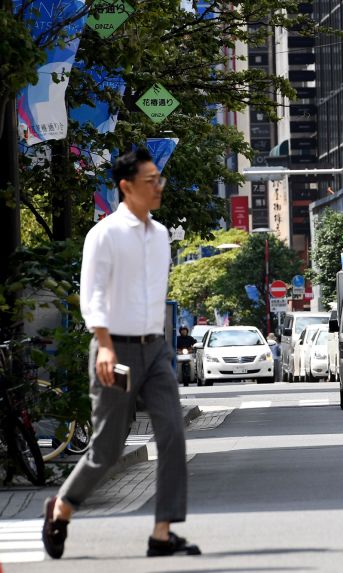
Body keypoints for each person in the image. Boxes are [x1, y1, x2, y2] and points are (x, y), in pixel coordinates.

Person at [42, 148, 201, 559]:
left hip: (155, 350)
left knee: (173, 434)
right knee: (107, 449)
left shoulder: (161, 234)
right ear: (126, 187)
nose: (158, 187)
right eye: (150, 181)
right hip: (115, 348)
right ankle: (61, 508)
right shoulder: (105, 234)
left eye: (159, 179)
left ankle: (162, 533)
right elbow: (92, 295)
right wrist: (105, 346)